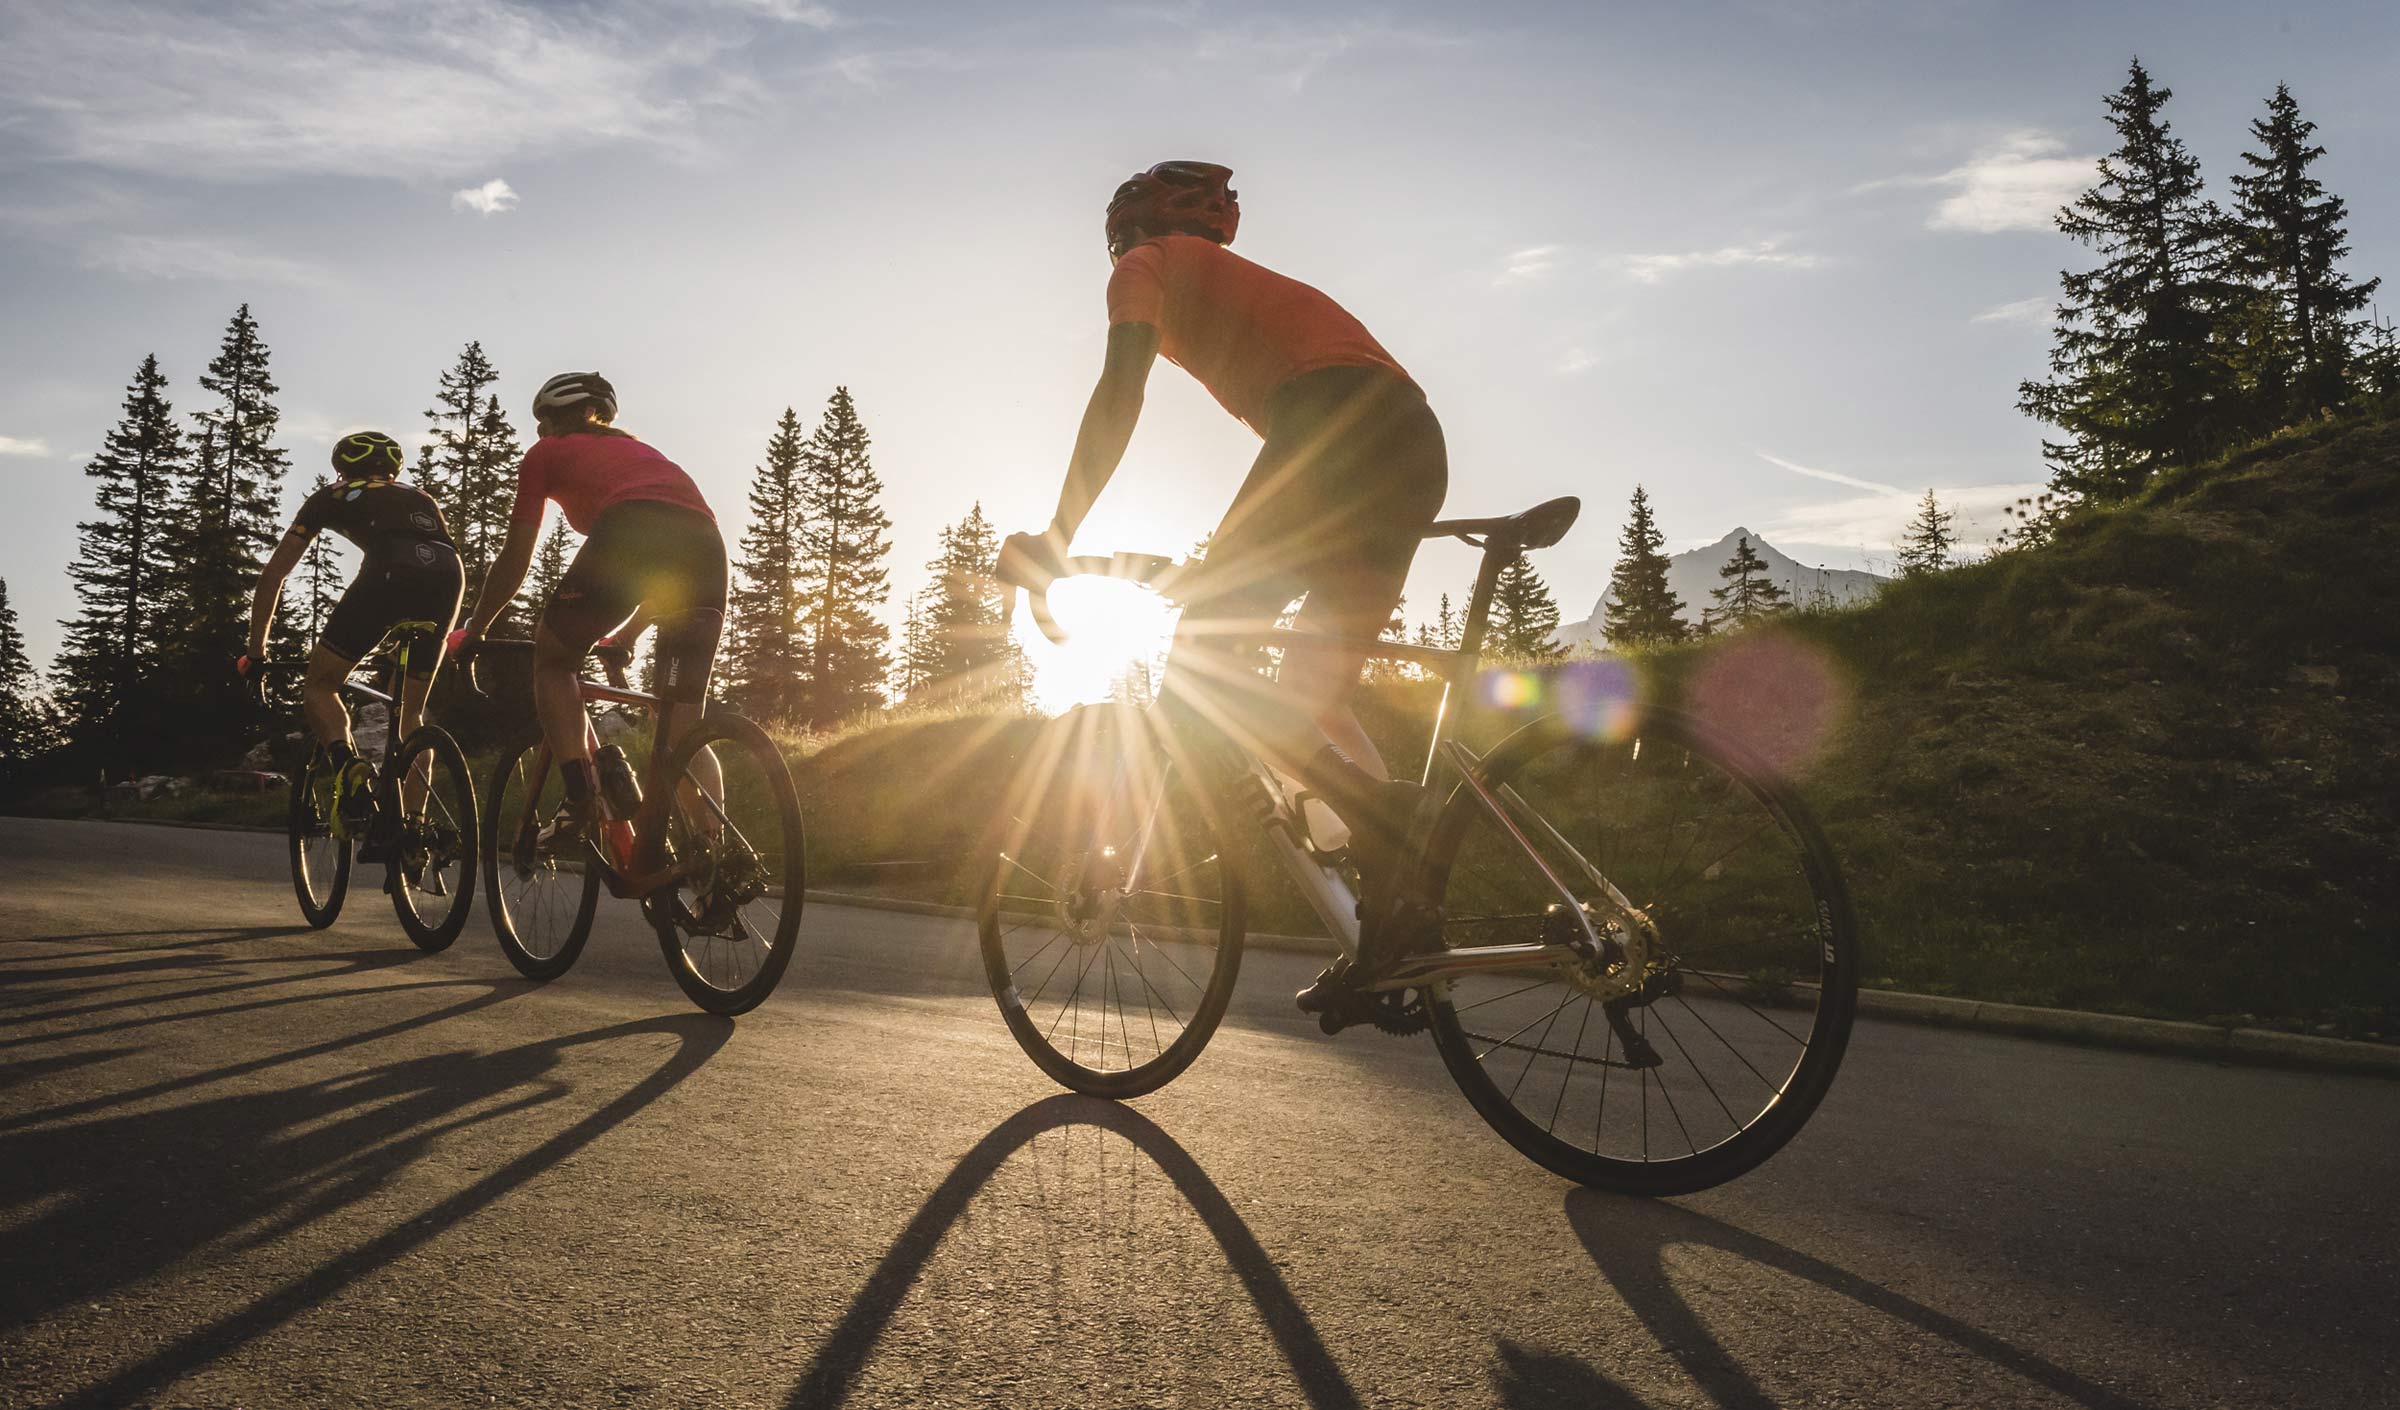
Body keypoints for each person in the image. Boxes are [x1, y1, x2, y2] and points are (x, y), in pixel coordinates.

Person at [998, 161, 1450, 1010]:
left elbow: (1119, 388)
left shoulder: (1148, 265)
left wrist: (1058, 537)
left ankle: (1390, 830)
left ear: (1124, 235)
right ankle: (1393, 927)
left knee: (1210, 668)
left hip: (1331, 427)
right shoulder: (1242, 283)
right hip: (1412, 444)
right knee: (1310, 694)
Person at [447, 372, 727, 841]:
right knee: (682, 727)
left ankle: (582, 798)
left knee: (554, 661)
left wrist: (475, 628)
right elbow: (665, 577)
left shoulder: (546, 453)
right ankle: (716, 863)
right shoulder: (647, 456)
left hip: (629, 530)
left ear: (557, 421)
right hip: (705, 546)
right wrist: (627, 637)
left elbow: (517, 557)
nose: (538, 433)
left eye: (543, 422)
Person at [239, 431, 465, 856]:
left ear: (342, 467)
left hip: (388, 573)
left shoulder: (333, 494)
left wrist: (256, 653)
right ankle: (413, 835)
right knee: (411, 714)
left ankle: (349, 765)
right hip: (448, 576)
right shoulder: (419, 495)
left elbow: (273, 576)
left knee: (320, 685)